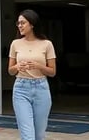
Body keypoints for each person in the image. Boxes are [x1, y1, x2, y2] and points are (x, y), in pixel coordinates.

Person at [8, 9, 56, 140]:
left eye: (23, 23)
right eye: (18, 23)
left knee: (39, 135)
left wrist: (39, 66)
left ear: (32, 24)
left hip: (41, 88)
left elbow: (52, 72)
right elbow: (10, 70)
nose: (19, 26)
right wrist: (17, 67)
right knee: (27, 135)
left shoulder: (47, 44)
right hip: (21, 89)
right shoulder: (15, 43)